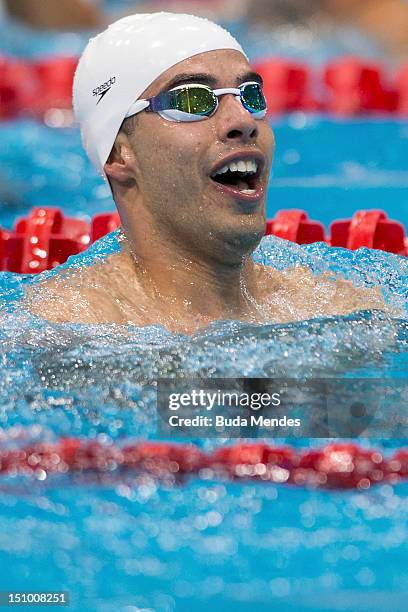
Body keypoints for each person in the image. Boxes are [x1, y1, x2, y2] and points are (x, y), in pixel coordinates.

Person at [26, 12, 386, 334]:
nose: (243, 121)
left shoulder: (335, 306)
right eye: (191, 100)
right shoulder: (73, 327)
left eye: (251, 95)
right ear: (120, 154)